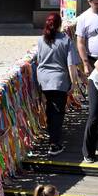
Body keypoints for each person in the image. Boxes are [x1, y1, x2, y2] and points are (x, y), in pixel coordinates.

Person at [34, 12, 79, 156]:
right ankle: (55, 144)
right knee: (58, 113)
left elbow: (39, 61)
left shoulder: (42, 40)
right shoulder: (66, 40)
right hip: (59, 82)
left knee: (49, 110)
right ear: (60, 24)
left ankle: (53, 137)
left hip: (43, 81)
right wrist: (74, 83)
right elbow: (71, 65)